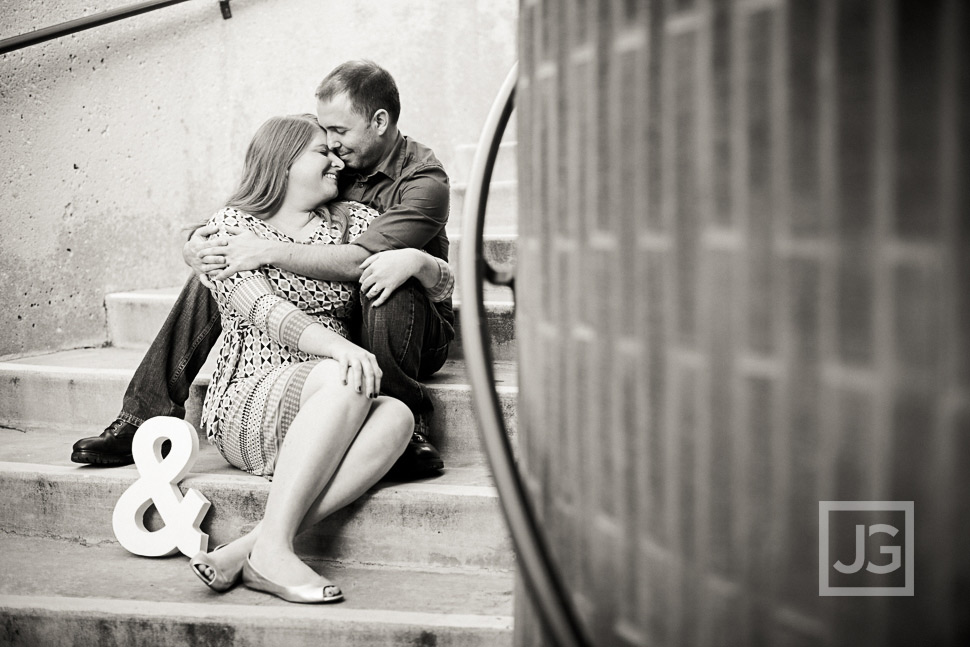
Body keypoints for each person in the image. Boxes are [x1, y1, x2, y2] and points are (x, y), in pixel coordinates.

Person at [71, 60, 454, 478]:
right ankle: (143, 416)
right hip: (343, 316)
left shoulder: (424, 182)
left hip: (413, 323)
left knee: (383, 276)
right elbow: (270, 199)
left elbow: (359, 258)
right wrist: (201, 243)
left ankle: (409, 424)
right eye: (325, 135)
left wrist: (263, 250)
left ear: (379, 121)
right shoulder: (341, 161)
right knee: (224, 260)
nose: (333, 147)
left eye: (339, 133)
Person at [189, 112, 453, 603]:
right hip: (253, 395)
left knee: (395, 415)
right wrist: (338, 346)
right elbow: (261, 308)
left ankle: (259, 545)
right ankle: (270, 552)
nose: (337, 161)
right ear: (284, 162)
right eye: (321, 153)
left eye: (336, 151)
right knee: (347, 378)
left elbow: (444, 287)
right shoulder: (230, 226)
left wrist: (417, 261)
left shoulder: (354, 223)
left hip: (336, 390)